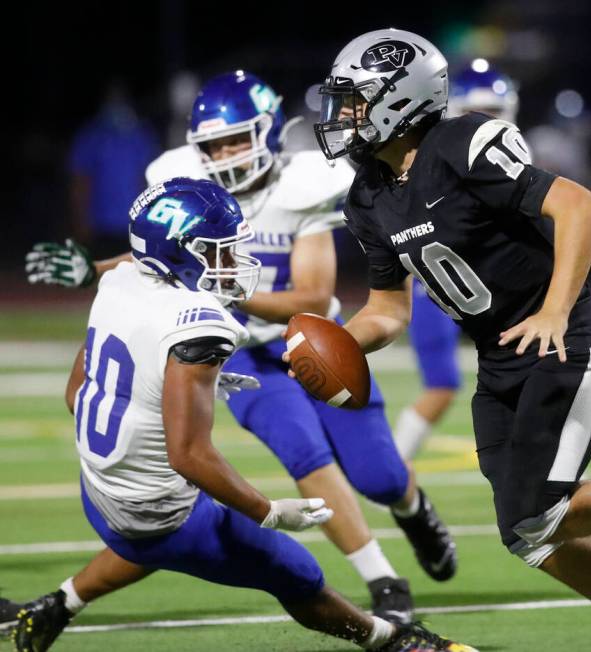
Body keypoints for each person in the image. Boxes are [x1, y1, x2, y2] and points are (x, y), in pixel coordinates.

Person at [311, 28, 591, 651]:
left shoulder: (460, 143)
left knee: (541, 509)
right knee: (528, 536)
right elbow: (385, 310)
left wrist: (556, 309)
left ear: (399, 99)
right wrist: (338, 346)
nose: (342, 115)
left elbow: (581, 207)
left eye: (355, 100)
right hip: (498, 355)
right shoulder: (368, 195)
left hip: (559, 338)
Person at [24, 71, 458, 627]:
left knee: (380, 477)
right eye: (214, 144)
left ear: (268, 132)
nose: (225, 153)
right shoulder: (185, 183)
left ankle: (412, 508)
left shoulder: (301, 185)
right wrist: (95, 269)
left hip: (315, 340)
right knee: (306, 457)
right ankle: (383, 580)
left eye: (236, 139)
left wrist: (232, 284)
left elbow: (314, 295)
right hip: (250, 358)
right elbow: (157, 255)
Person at [394, 61, 518, 461]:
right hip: (438, 289)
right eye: (475, 112)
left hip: (494, 293)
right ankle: (393, 469)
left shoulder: (508, 158)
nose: (485, 122)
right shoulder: (437, 159)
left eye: (494, 112)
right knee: (442, 385)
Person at [68, 81, 161, 259]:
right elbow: (80, 181)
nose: (117, 103)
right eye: (112, 98)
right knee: (102, 278)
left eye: (120, 98)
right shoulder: (91, 134)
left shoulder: (141, 134)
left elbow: (151, 179)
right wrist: (80, 221)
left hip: (134, 223)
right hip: (101, 225)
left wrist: (152, 221)